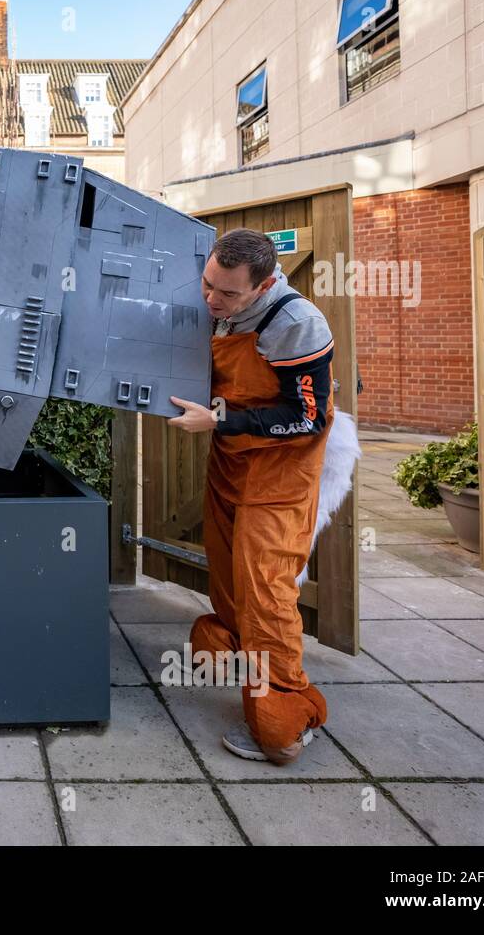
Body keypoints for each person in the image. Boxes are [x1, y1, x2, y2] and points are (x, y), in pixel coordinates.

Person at [168, 228, 335, 765]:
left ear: (263, 286)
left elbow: (307, 417)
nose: (212, 300)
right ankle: (239, 652)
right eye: (208, 284)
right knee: (228, 573)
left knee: (266, 589)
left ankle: (286, 712)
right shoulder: (214, 298)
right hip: (231, 461)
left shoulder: (297, 324)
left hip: (281, 473)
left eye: (228, 294)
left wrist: (219, 419)